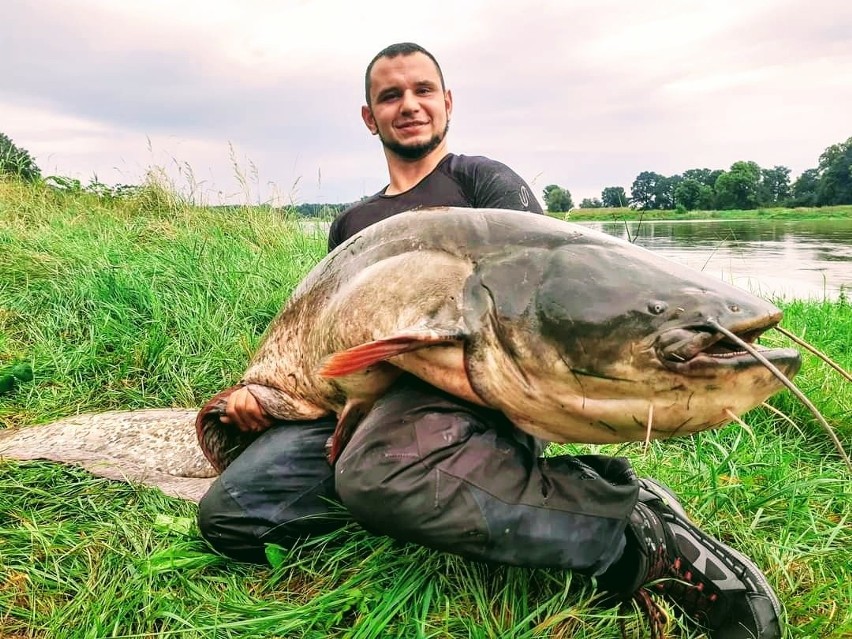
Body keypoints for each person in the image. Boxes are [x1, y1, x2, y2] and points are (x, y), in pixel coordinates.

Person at [197, 43, 782, 639]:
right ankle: (435, 495)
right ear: (370, 117)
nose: (410, 105)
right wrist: (264, 396)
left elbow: (545, 289)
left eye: (423, 91)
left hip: (469, 391)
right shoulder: (353, 222)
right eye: (391, 95)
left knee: (379, 474)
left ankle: (631, 533)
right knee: (234, 518)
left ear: (447, 103)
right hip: (358, 402)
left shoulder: (483, 182)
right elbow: (331, 339)